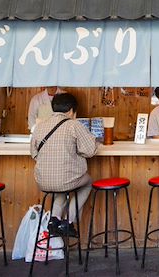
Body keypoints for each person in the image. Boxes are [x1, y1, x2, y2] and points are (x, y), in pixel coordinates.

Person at [30, 92, 97, 237]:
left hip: (43, 181)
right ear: (72, 110)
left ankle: (54, 221)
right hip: (66, 179)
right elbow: (90, 151)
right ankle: (68, 221)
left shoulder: (40, 126)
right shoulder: (74, 125)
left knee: (61, 188)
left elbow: (34, 153)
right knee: (87, 182)